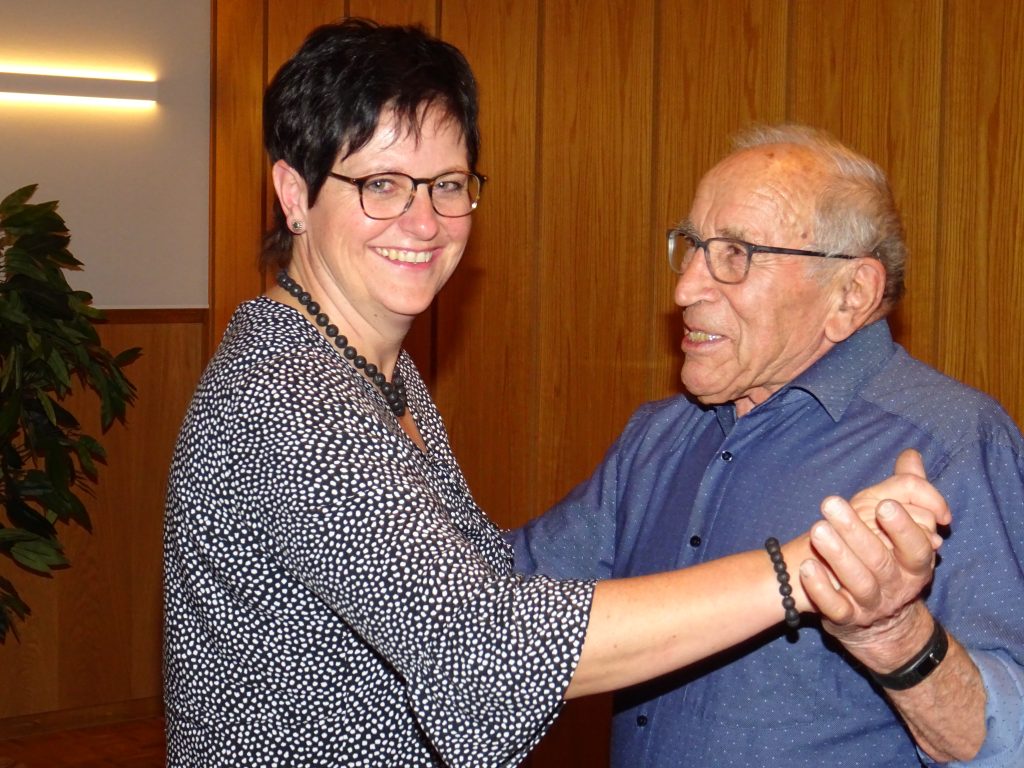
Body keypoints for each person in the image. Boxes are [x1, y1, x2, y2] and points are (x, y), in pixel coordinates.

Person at [162, 22, 947, 768]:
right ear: (294, 194)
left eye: (447, 185)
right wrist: (803, 567)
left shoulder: (375, 372)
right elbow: (485, 651)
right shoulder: (290, 399)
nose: (424, 221)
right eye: (383, 185)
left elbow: (475, 577)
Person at [510, 124, 1024, 767]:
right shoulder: (658, 437)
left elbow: (1007, 743)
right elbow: (497, 609)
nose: (685, 289)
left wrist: (896, 636)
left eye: (735, 254)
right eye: (692, 246)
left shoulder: (954, 443)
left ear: (851, 295)